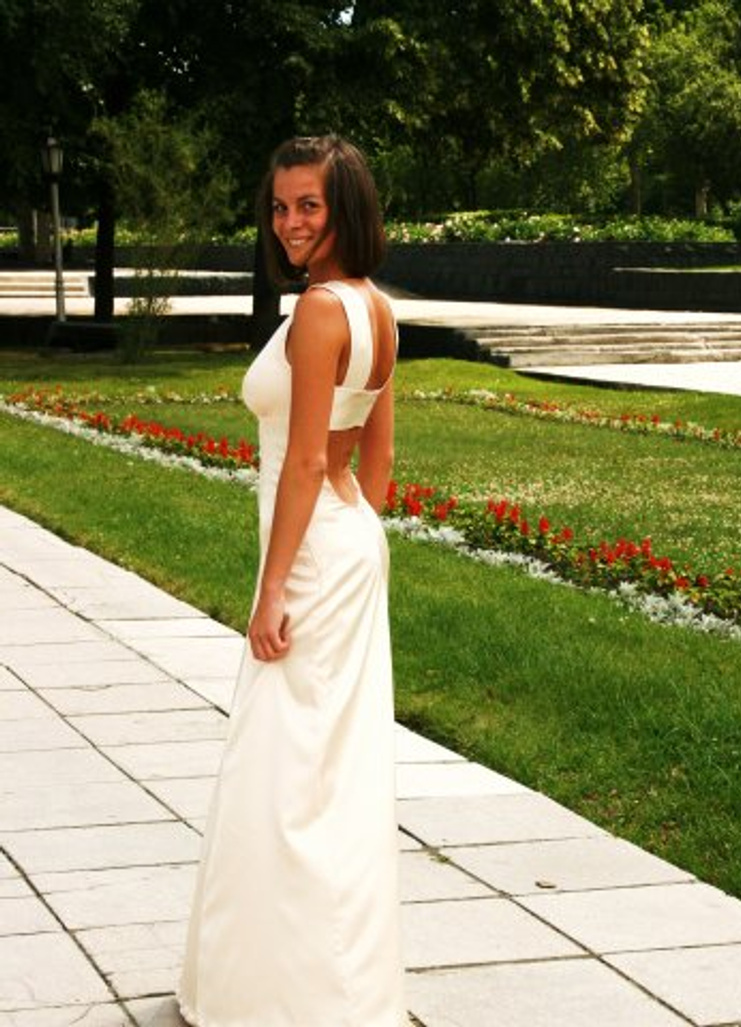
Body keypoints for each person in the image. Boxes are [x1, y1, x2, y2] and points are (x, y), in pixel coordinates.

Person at [177, 135, 409, 1027]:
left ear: (345, 205)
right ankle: (332, 988)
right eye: (279, 207)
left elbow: (306, 461)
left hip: (311, 552)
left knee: (279, 774)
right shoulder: (378, 308)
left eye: (308, 204)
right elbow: (376, 461)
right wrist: (354, 539)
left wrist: (273, 587)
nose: (290, 222)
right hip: (350, 543)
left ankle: (280, 998)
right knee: (329, 772)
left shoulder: (318, 310)